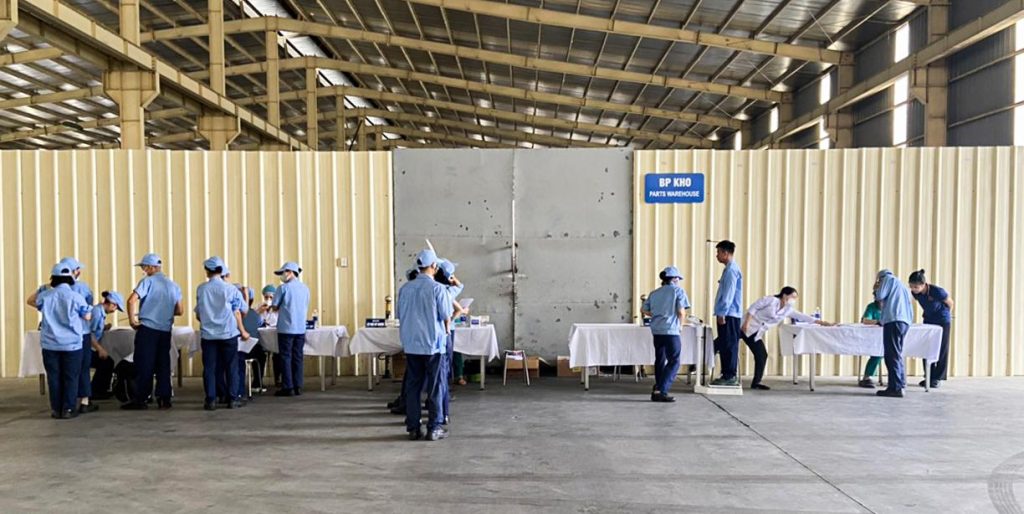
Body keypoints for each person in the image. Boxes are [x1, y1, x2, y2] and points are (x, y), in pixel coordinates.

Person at [397, 249, 453, 441]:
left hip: (411, 345)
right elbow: (446, 316)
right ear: (434, 266)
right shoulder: (438, 289)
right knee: (435, 386)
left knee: (413, 386)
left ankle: (413, 427)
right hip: (433, 345)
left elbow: (400, 315)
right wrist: (446, 330)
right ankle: (434, 427)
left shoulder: (405, 289)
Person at [29, 263, 92, 419]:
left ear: (53, 278)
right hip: (72, 345)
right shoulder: (76, 297)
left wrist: (44, 287)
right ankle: (68, 409)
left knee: (54, 377)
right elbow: (87, 316)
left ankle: (56, 409)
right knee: (71, 377)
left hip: (50, 344)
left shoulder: (45, 296)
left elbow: (31, 301)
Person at [741, 287, 834, 390]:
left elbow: (803, 317)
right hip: (743, 326)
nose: (793, 300)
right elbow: (753, 308)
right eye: (792, 297)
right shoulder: (771, 300)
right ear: (784, 295)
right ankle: (728, 375)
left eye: (795, 298)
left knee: (762, 355)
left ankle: (756, 383)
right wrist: (746, 323)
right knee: (728, 345)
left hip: (755, 332)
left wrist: (823, 323)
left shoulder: (787, 310)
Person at [123, 253, 183, 410]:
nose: (143, 270)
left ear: (151, 267)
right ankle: (164, 399)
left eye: (144, 267)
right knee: (163, 364)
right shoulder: (173, 285)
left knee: (145, 364)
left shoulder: (147, 281)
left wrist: (132, 320)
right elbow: (179, 310)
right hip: (165, 330)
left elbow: (131, 300)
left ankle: (141, 398)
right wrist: (164, 312)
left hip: (148, 329)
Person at [195, 256, 249, 410]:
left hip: (208, 335)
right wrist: (241, 329)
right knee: (231, 366)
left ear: (207, 271)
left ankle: (211, 400)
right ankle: (233, 399)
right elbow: (241, 311)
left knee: (210, 368)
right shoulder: (231, 289)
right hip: (228, 333)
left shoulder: (201, 289)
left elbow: (198, 313)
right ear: (221, 271)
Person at [640, 266, 691, 402]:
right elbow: (681, 312)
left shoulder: (654, 293)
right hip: (671, 331)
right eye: (678, 278)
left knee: (660, 359)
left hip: (657, 330)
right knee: (674, 360)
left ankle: (658, 386)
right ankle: (661, 390)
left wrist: (657, 315)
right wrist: (680, 326)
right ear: (674, 279)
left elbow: (643, 309)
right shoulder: (678, 291)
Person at [908, 269, 954, 389]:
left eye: (916, 287)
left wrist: (945, 315)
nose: (913, 289)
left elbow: (950, 303)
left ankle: (938, 378)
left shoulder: (937, 291)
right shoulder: (915, 293)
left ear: (924, 284)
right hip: (928, 319)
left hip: (942, 321)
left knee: (941, 348)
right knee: (927, 347)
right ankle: (929, 376)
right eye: (911, 286)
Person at [271, 261, 310, 397]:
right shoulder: (305, 288)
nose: (282, 276)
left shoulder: (283, 288)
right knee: (298, 357)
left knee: (285, 357)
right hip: (300, 328)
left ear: (290, 272)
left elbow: (274, 306)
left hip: (286, 328)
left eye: (283, 272)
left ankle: (288, 387)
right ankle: (298, 385)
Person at [436, 258, 467, 424]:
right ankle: (439, 415)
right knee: (441, 372)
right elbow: (447, 317)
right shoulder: (444, 291)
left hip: (420, 342)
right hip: (441, 337)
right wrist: (448, 327)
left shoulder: (409, 290)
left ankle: (415, 419)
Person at [874, 269, 913, 398]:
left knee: (891, 355)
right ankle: (900, 384)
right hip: (904, 322)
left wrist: (877, 288)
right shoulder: (901, 285)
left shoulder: (887, 279)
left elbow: (879, 296)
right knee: (897, 354)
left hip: (894, 321)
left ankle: (895, 388)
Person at [712, 240, 743, 386]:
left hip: (729, 314)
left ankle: (730, 376)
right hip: (727, 313)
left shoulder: (731, 270)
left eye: (718, 252)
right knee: (724, 344)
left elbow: (728, 294)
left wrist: (722, 312)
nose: (716, 255)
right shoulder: (728, 269)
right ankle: (726, 374)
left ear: (725, 253)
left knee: (729, 344)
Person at [87, 291, 126, 402]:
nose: (114, 311)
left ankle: (99, 389)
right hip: (85, 348)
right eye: (116, 308)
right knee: (107, 362)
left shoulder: (98, 312)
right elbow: (88, 333)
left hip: (88, 347)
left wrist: (104, 327)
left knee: (107, 362)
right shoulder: (97, 313)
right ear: (112, 304)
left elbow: (94, 328)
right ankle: (96, 391)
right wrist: (100, 349)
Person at [236, 286, 270, 398]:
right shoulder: (256, 315)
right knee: (261, 354)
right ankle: (257, 382)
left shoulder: (232, 314)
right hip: (252, 349)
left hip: (237, 348)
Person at [257, 284, 282, 386]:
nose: (268, 299)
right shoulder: (259, 307)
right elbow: (255, 321)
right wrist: (260, 312)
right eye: (266, 297)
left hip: (275, 336)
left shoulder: (279, 308)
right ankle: (258, 380)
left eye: (271, 297)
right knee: (260, 353)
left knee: (278, 354)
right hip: (262, 338)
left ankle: (278, 379)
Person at [857, 299, 884, 388]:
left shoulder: (891, 306)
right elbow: (865, 320)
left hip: (886, 336)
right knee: (877, 353)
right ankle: (867, 377)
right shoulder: (872, 306)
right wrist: (878, 322)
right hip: (872, 338)